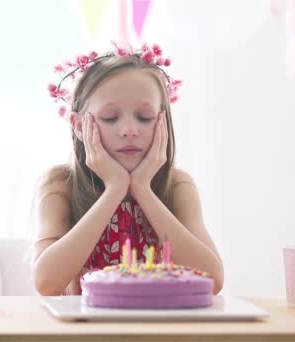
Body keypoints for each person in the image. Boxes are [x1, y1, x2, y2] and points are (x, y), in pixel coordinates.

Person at [32, 43, 223, 296]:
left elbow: (213, 281)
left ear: (162, 121)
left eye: (144, 117)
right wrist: (114, 189)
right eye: (110, 117)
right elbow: (46, 282)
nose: (129, 130)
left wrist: (142, 189)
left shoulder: (177, 186)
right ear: (79, 125)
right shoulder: (60, 184)